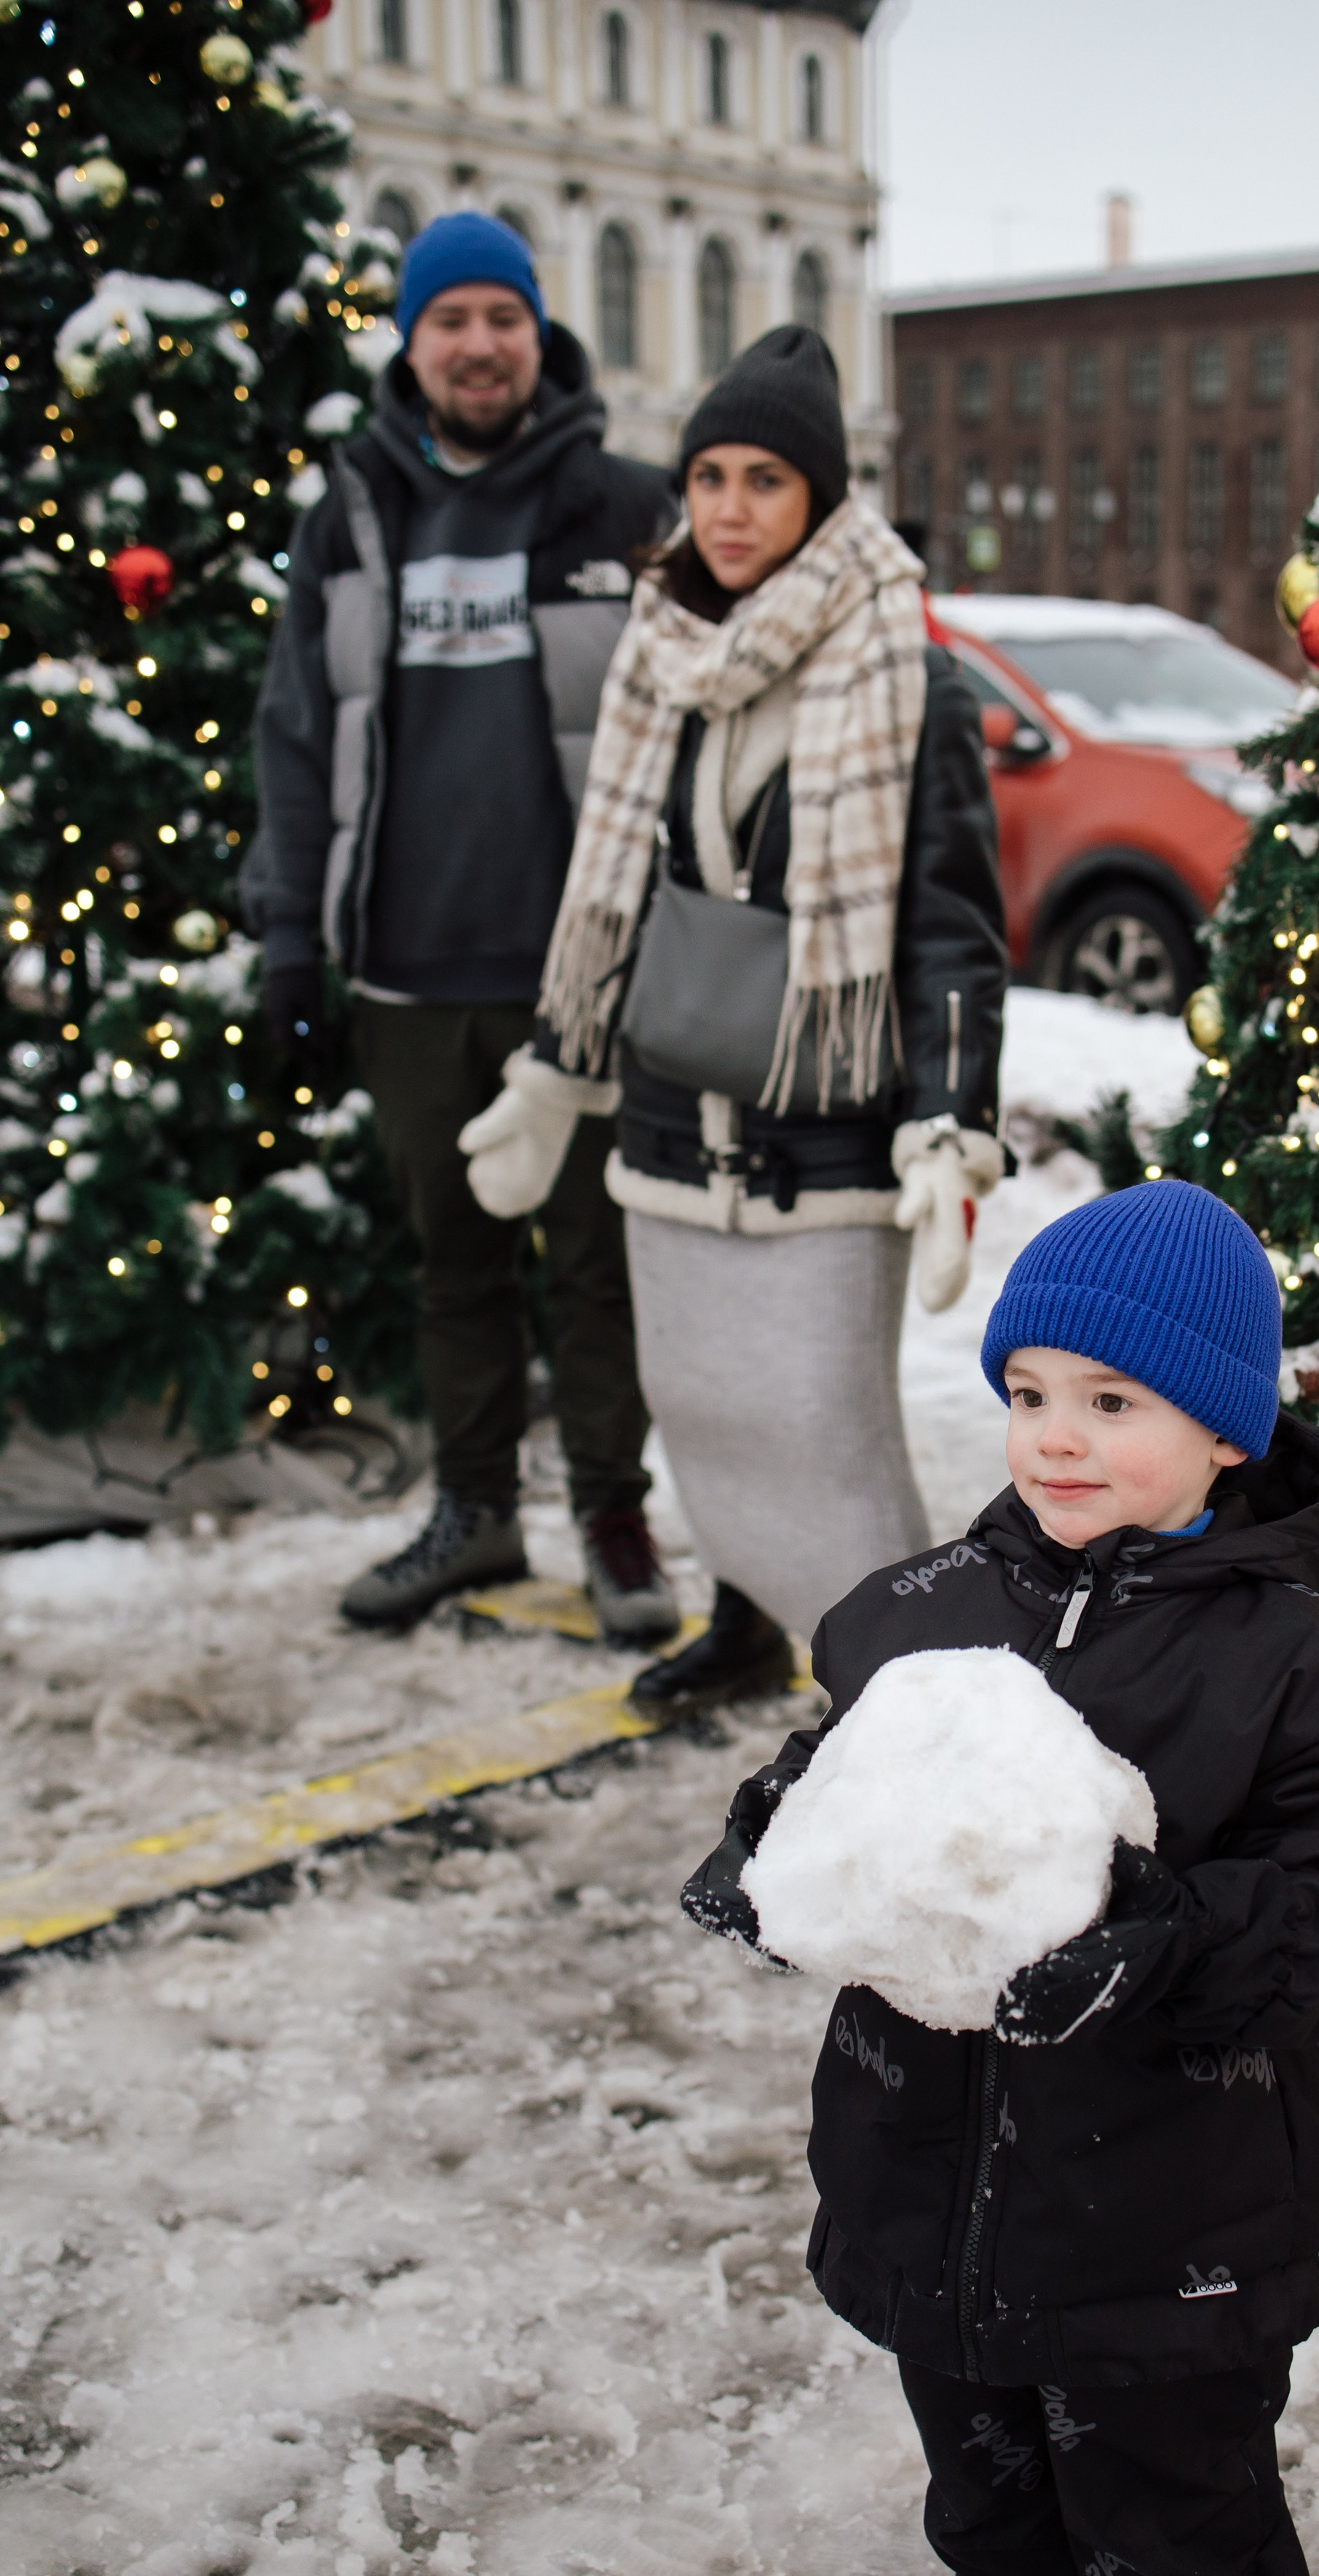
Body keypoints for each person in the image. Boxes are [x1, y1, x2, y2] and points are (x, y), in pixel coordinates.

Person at [681, 1177, 1319, 2576]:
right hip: (923, 2174)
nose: (1056, 1437)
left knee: (1171, 2504)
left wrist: (1173, 1936)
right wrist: (775, 1846)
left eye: (1111, 1402)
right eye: (1028, 1395)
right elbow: (842, 1772)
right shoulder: (935, 1610)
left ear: (1226, 1433)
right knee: (988, 2493)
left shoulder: (1295, 1668)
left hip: (1163, 2215)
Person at [459, 325, 1007, 1709]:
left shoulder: (906, 677)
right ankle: (751, 1620)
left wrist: (949, 1126)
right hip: (665, 1115)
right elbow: (616, 896)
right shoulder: (663, 667)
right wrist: (554, 1072)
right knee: (700, 1412)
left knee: (821, 1430)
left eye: (766, 478)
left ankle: (908, 1693)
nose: (729, 507)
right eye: (708, 476)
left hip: (816, 1133)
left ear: (822, 501)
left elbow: (951, 920)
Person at [245, 212, 681, 1641]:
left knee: (597, 1265)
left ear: (535, 333)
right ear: (411, 341)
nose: (478, 345)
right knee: (456, 1263)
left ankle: (615, 1525)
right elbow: (296, 741)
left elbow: (691, 729)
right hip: (407, 972)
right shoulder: (349, 517)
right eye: (451, 321)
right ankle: (475, 1515)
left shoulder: (624, 506)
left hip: (584, 975)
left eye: (501, 316)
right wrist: (291, 944)